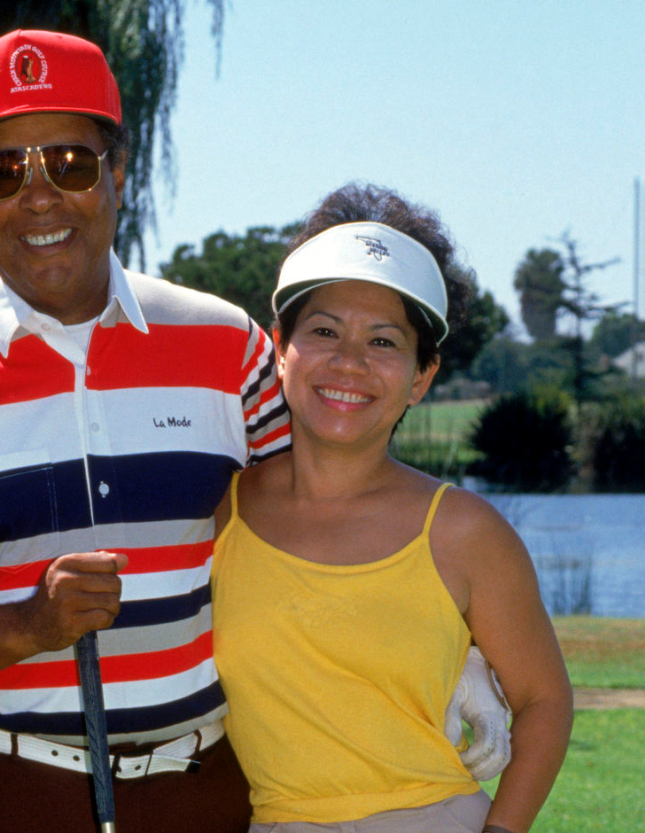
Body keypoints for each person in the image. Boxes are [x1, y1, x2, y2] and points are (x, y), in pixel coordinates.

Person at [0, 28, 290, 833]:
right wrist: (27, 626)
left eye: (70, 164)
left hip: (204, 792)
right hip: (4, 794)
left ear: (118, 171)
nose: (38, 196)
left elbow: (315, 551)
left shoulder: (231, 347)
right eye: (3, 171)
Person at [210, 184, 574, 833]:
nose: (349, 361)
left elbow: (545, 699)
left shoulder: (465, 532)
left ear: (422, 376)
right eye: (323, 330)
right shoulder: (221, 513)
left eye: (384, 342)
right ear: (279, 347)